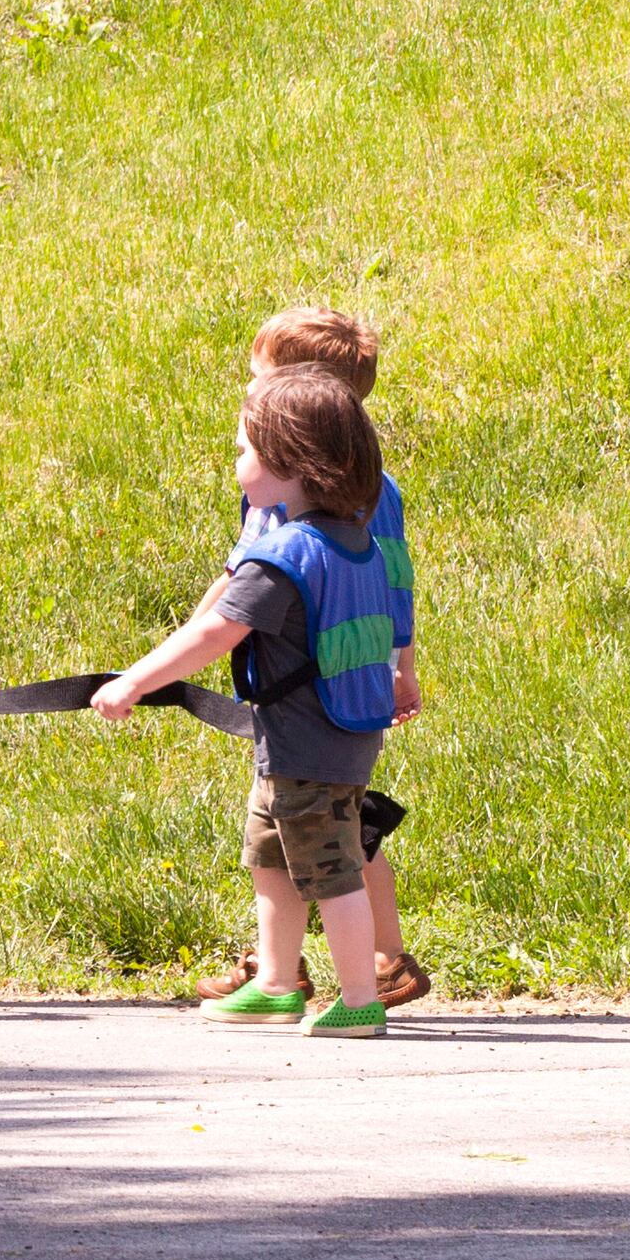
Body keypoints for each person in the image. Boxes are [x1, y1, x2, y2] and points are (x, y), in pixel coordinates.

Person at [96, 365, 401, 1038]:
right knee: (272, 855)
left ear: (291, 463)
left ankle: (360, 998)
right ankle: (274, 980)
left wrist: (133, 680)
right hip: (319, 740)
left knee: (332, 870)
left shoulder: (282, 553)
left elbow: (214, 631)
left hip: (309, 749)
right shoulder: (358, 544)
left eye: (244, 449)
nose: (236, 462)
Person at [245, 308, 426, 1006]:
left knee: (322, 812)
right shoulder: (330, 481)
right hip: (324, 665)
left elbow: (393, 579)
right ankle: (302, 956)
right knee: (317, 810)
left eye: (264, 379)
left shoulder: (346, 490)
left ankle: (365, 957)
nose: (253, 391)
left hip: (320, 675)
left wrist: (401, 665)